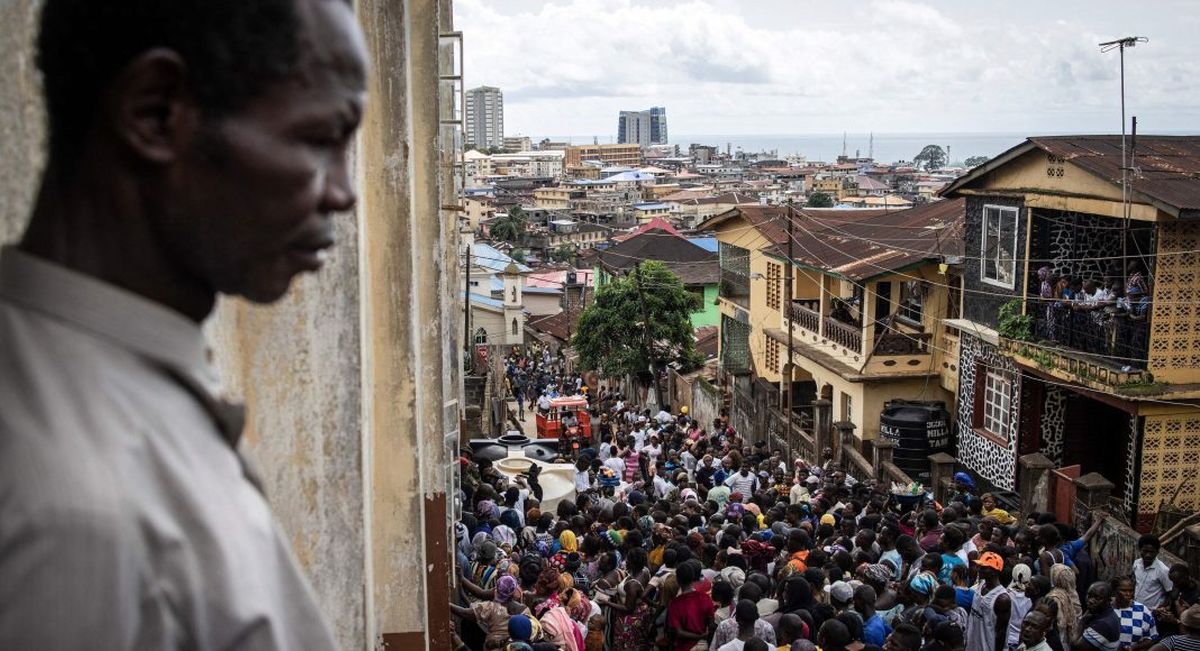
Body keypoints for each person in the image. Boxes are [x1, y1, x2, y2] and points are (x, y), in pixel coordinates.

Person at [0, 0, 370, 647]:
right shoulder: (74, 516)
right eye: (318, 140)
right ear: (156, 112)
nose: (343, 191)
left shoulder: (85, 377)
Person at [967, 552, 1012, 651]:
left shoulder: (1002, 599)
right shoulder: (981, 585)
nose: (979, 569)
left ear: (995, 571)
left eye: (984, 567)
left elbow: (1001, 633)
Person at [1113, 575, 1160, 651]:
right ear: (1115, 591)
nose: (1128, 594)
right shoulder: (1107, 609)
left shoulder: (1142, 610)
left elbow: (1152, 638)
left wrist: (1133, 648)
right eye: (1124, 591)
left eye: (1131, 591)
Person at [1075, 582, 1121, 651]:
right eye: (1089, 595)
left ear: (1109, 600)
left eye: (1097, 598)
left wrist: (1082, 621)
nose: (1090, 601)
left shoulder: (1103, 624)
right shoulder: (1107, 613)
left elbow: (1075, 645)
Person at [1133, 535, 1174, 611]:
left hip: (1152, 612)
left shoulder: (1163, 570)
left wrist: (1161, 608)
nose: (1148, 555)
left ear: (1157, 552)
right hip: (1135, 608)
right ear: (1140, 550)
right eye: (1145, 551)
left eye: (1151, 552)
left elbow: (1170, 592)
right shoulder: (1136, 564)